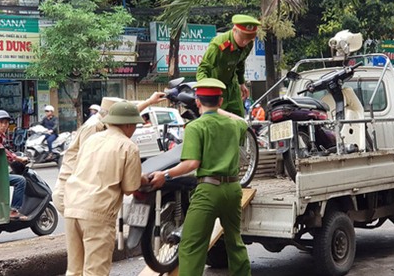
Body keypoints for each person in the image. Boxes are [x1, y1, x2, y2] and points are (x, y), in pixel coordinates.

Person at [149, 78, 251, 276]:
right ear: (220, 101)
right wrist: (217, 110)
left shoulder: (195, 127)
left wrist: (165, 174)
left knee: (192, 245)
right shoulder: (232, 125)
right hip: (232, 189)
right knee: (235, 242)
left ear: (197, 101)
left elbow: (191, 164)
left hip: (208, 191)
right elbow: (242, 122)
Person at [63, 101, 149, 275]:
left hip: (72, 207)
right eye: (134, 126)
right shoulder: (128, 146)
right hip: (98, 213)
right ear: (127, 125)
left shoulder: (92, 139)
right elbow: (129, 188)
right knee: (96, 271)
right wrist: (144, 179)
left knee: (74, 270)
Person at [53, 92, 165, 215]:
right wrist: (136, 177)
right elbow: (95, 164)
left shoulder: (105, 124)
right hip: (73, 193)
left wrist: (149, 101)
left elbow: (127, 116)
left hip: (80, 195)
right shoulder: (94, 128)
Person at [197, 14, 262, 117]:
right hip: (216, 88)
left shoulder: (249, 44)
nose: (245, 42)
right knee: (217, 120)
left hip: (232, 87)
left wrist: (241, 83)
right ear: (234, 30)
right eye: (243, 38)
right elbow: (203, 68)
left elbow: (240, 62)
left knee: (240, 119)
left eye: (249, 39)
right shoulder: (218, 45)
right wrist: (204, 91)